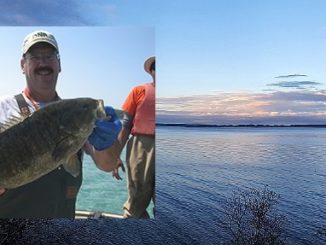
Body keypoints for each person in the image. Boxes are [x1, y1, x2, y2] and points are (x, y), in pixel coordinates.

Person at [0, 30, 121, 218]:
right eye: (35, 56)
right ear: (23, 65)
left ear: (59, 64)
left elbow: (108, 164)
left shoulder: (74, 117)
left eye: (49, 56)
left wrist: (109, 142)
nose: (43, 62)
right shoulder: (3, 107)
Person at [113, 56, 155, 218]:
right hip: (141, 147)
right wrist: (115, 155)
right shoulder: (138, 91)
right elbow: (125, 125)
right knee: (136, 202)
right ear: (151, 72)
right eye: (155, 67)